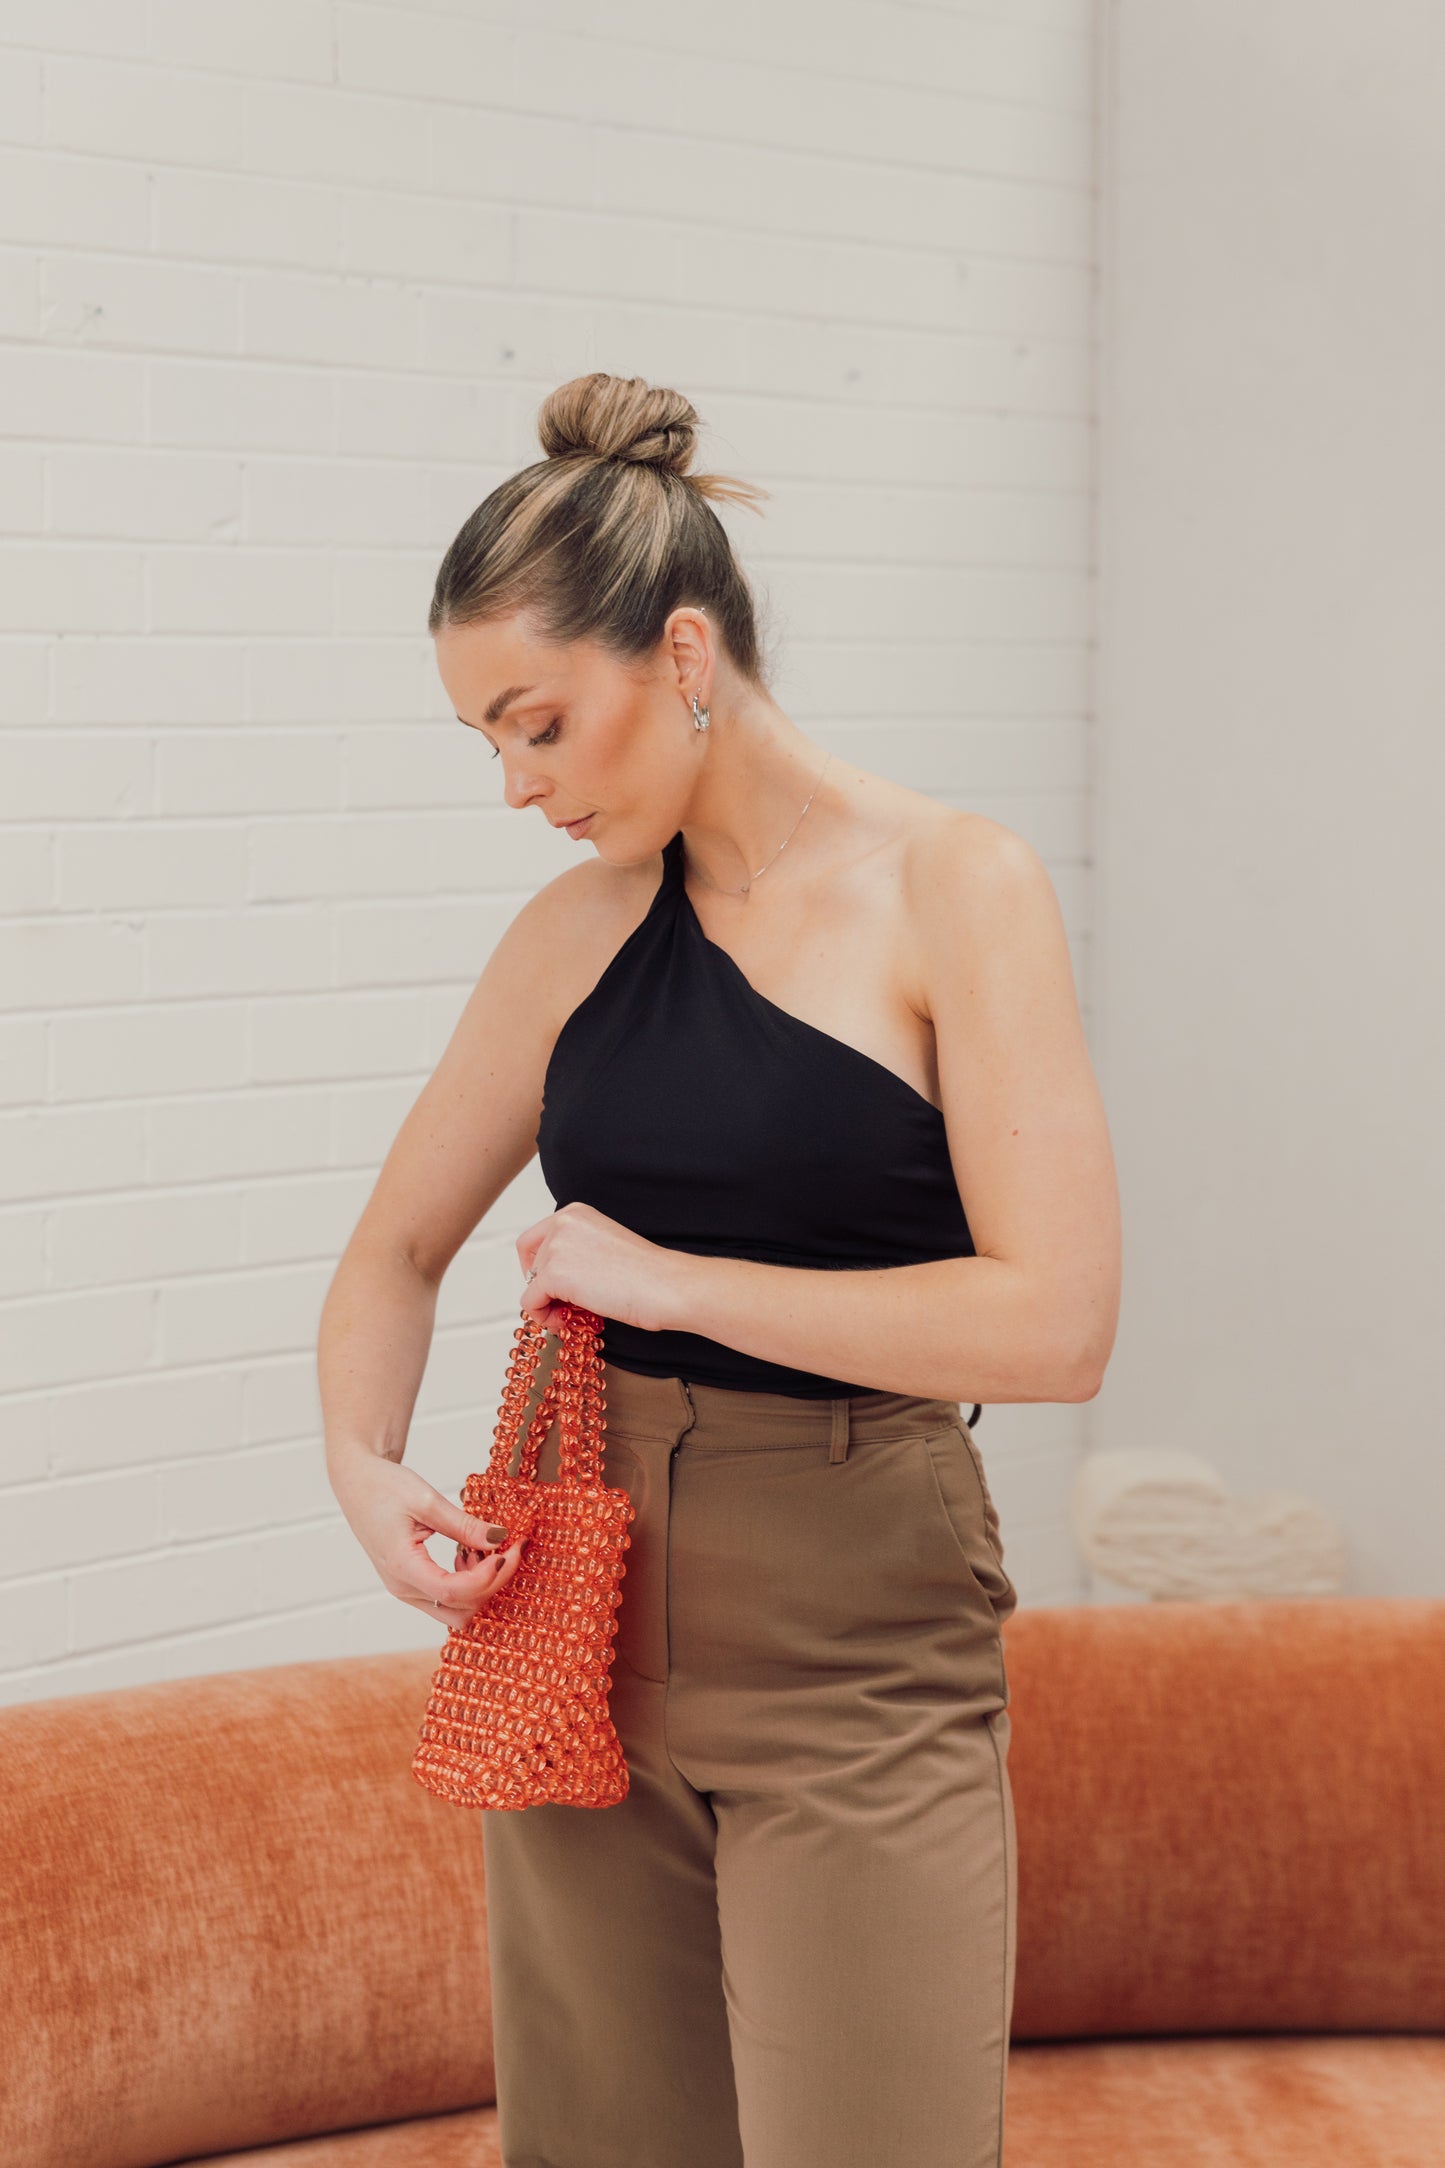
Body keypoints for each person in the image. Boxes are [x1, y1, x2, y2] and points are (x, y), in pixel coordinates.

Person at [318, 371, 1122, 2168]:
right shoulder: (575, 933)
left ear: (683, 653)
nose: (518, 786)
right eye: (487, 745)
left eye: (539, 723)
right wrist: (364, 1472)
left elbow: (1054, 1320)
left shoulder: (953, 887)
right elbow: (392, 1252)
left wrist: (673, 1283)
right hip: (573, 1602)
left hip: (857, 1618)